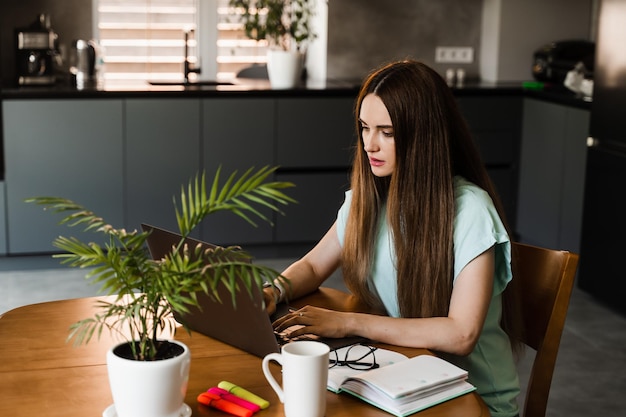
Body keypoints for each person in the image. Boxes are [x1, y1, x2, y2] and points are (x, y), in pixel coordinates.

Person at [264, 60, 522, 417]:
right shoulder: (368, 199)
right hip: (404, 381)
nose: (370, 144)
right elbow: (312, 264)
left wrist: (349, 322)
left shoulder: (471, 210)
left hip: (472, 401)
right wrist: (272, 291)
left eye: (386, 132)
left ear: (424, 136)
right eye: (365, 128)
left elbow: (462, 334)